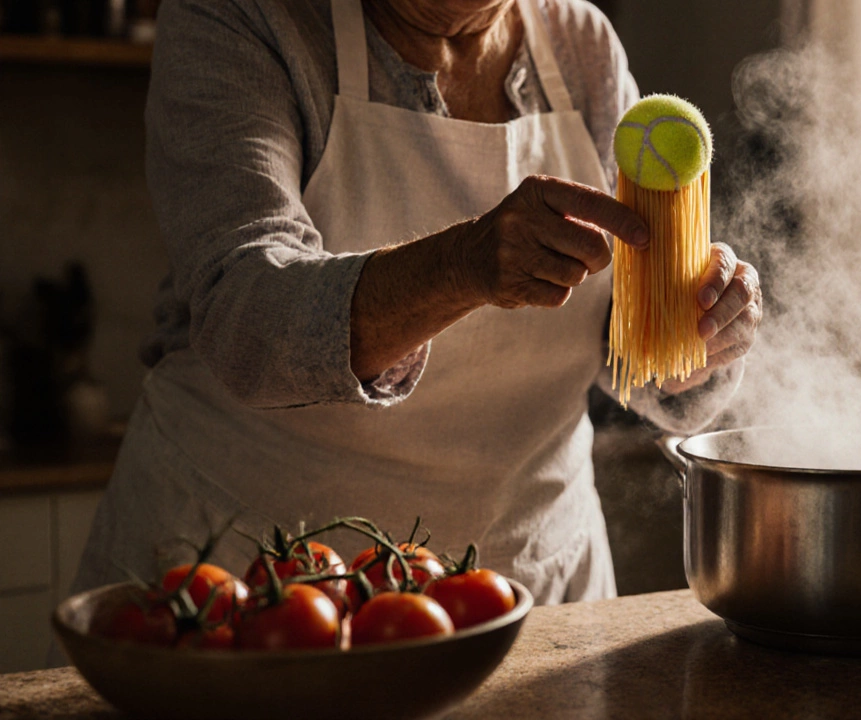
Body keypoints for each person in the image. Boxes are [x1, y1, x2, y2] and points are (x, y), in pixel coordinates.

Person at [70, 0, 762, 606]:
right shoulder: (243, 17)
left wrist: (693, 336)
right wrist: (459, 266)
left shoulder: (582, 43)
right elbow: (244, 319)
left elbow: (628, 343)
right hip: (257, 584)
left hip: (526, 583)